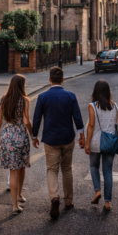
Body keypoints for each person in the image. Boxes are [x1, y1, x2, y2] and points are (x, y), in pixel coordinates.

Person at [32, 67, 85, 220]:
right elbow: (77, 117)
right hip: (68, 138)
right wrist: (82, 136)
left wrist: (34, 136)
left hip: (51, 139)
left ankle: (55, 197)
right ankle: (68, 201)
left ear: (49, 80)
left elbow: (37, 118)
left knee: (52, 170)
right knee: (67, 169)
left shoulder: (42, 97)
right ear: (62, 79)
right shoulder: (71, 96)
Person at [0, 74, 33, 214]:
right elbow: (26, 121)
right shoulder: (25, 100)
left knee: (14, 170)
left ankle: (17, 200)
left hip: (7, 136)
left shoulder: (3, 99)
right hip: (21, 136)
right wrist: (33, 135)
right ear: (22, 85)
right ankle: (16, 201)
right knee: (21, 166)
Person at [85, 80, 118, 212]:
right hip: (110, 143)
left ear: (95, 91)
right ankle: (107, 202)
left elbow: (91, 125)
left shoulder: (93, 106)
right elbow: (116, 124)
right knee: (108, 171)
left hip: (95, 142)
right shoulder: (114, 106)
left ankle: (97, 191)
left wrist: (87, 143)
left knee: (94, 166)